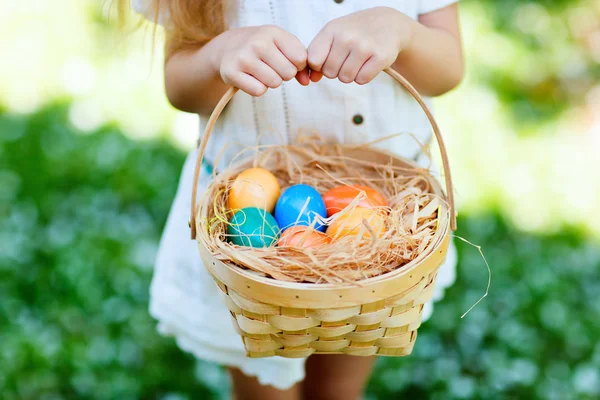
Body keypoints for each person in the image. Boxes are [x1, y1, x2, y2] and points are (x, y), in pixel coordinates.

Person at [124, 1, 463, 399]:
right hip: (252, 264)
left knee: (339, 386)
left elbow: (448, 68)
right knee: (265, 388)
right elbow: (179, 85)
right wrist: (219, 54)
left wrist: (402, 33)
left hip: (381, 237)